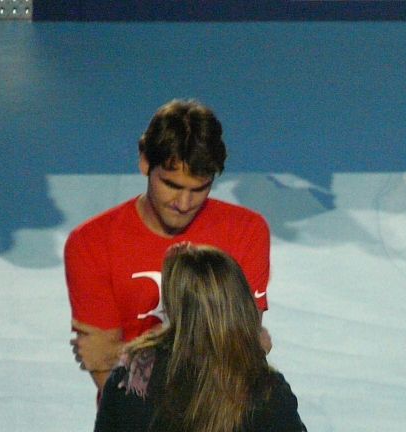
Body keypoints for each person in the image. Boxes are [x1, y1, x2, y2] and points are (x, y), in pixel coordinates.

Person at [86, 244, 322, 432]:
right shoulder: (263, 390)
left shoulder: (130, 377)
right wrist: (254, 358)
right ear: (241, 304)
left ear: (173, 308)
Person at [64, 99, 271, 392]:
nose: (184, 204)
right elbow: (108, 379)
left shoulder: (247, 231)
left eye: (199, 189)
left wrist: (120, 354)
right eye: (172, 185)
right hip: (134, 428)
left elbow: (236, 356)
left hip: (220, 422)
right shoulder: (90, 244)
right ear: (145, 162)